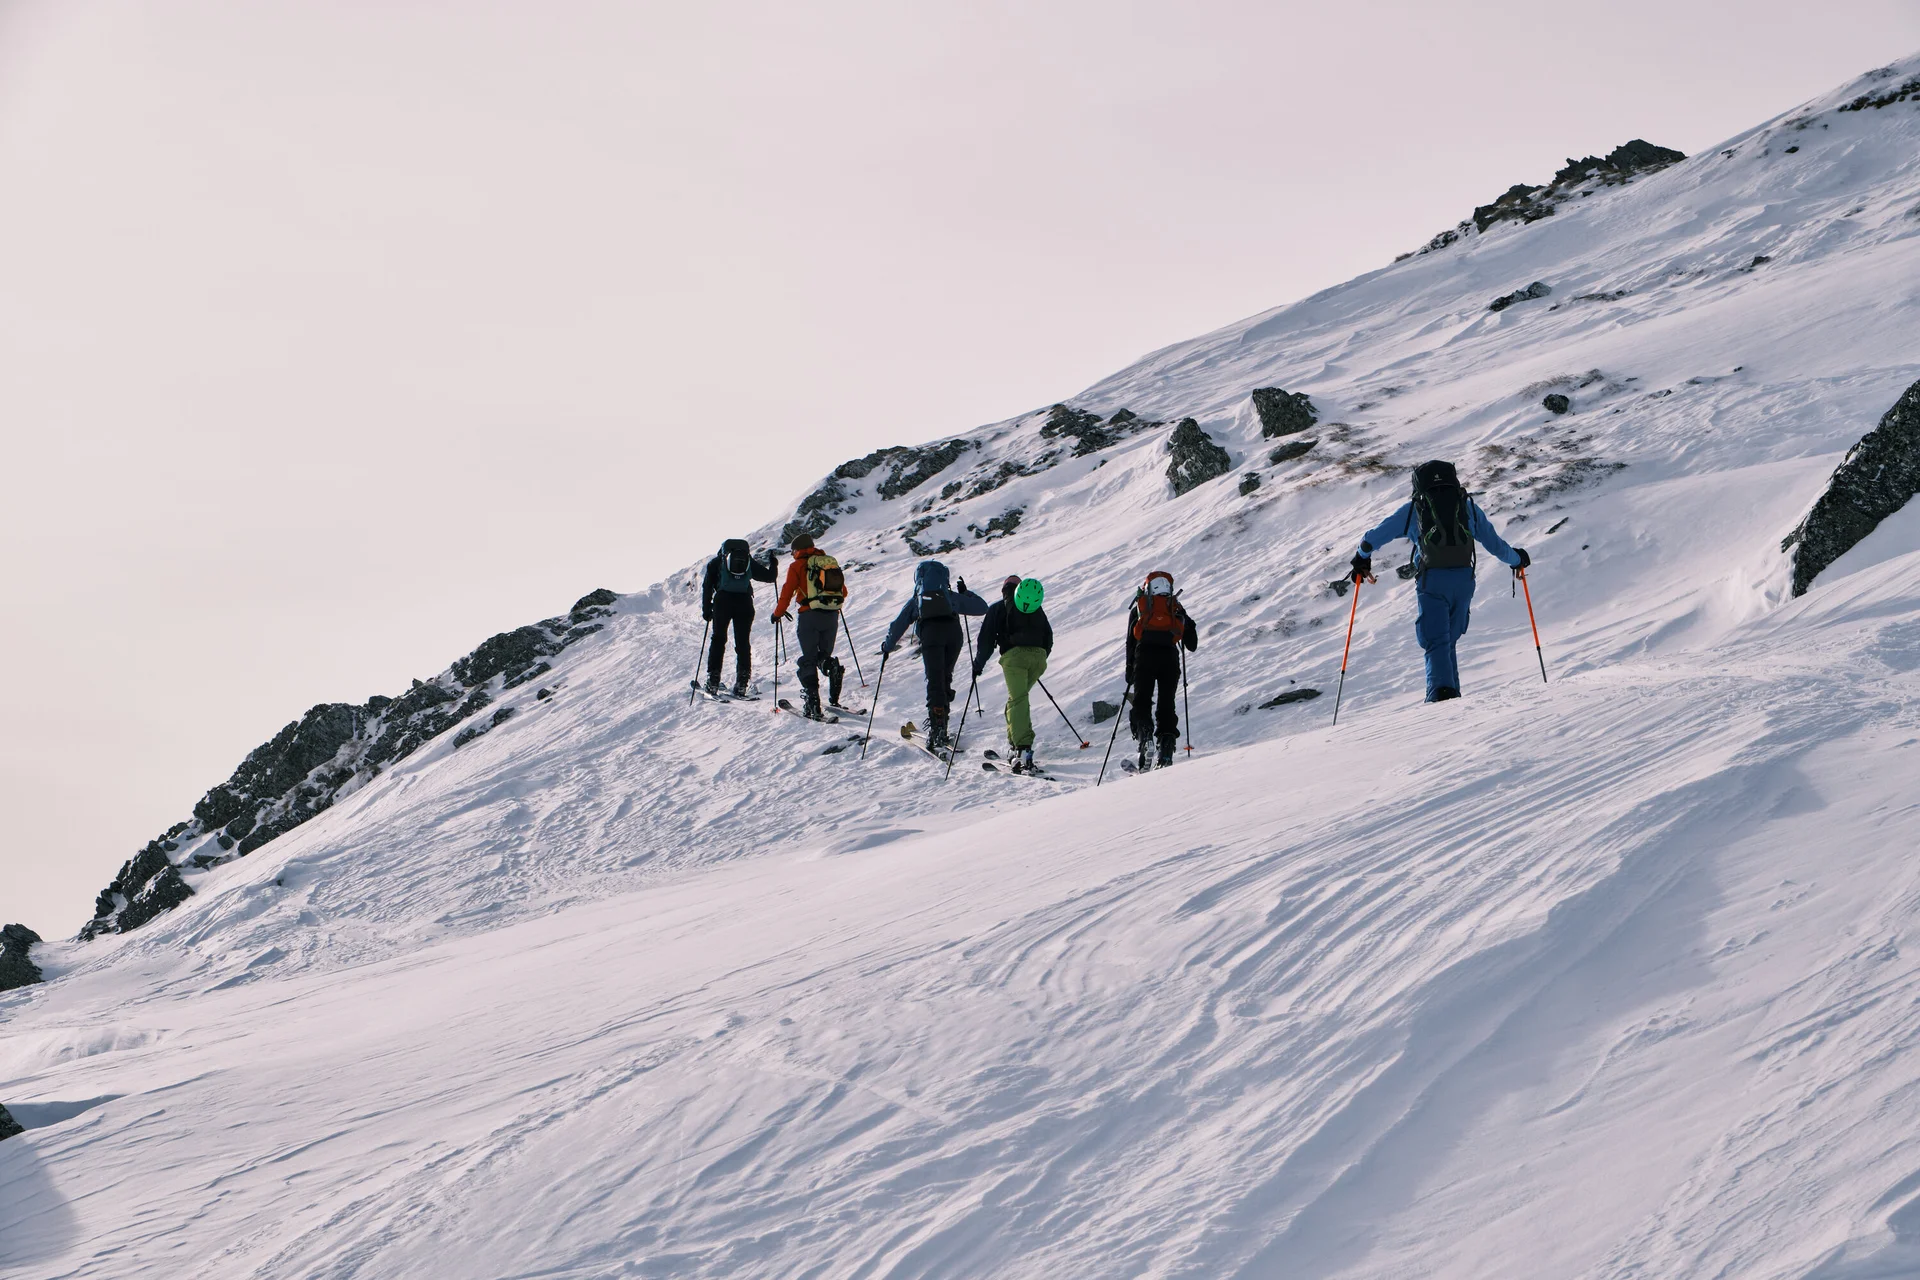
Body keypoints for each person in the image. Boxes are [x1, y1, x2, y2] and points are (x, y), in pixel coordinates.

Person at [1351, 459, 1528, 702]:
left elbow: (1373, 537)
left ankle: (1440, 698)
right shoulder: (1467, 507)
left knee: (1435, 640)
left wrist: (1362, 557)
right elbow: (1495, 545)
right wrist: (1517, 559)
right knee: (1448, 640)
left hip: (1432, 580)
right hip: (1464, 581)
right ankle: (1452, 696)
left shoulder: (1415, 509)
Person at [881, 561, 988, 751]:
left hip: (931, 636)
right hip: (953, 636)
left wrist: (887, 647)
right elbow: (982, 607)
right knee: (945, 677)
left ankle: (937, 729)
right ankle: (942, 726)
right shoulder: (950, 597)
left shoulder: (918, 599)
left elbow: (898, 625)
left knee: (934, 680)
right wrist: (965, 593)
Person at [971, 576, 1053, 773]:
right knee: (1017, 700)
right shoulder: (1035, 607)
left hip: (1014, 658)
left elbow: (986, 641)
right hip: (1039, 658)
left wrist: (978, 665)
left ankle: (1023, 748)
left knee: (1018, 700)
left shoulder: (998, 608)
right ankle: (1014, 743)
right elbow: (1048, 638)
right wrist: (1037, 657)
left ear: (1004, 590)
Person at [1124, 571, 1198, 769]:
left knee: (1141, 703)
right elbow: (1192, 644)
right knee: (1166, 706)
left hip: (1144, 657)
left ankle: (1145, 740)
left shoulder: (1141, 608)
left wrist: (1129, 669)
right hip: (1169, 659)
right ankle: (1165, 753)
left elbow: (1131, 641)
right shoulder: (1175, 608)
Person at [771, 533, 850, 719]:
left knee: (808, 659)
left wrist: (777, 613)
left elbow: (787, 591)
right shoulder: (828, 562)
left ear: (797, 550)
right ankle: (834, 672)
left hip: (809, 616)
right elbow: (843, 591)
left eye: (793, 551)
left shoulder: (797, 566)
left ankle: (813, 703)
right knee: (824, 657)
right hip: (831, 616)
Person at [699, 538, 778, 696]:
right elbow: (770, 577)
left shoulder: (716, 562)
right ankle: (742, 682)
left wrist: (707, 610)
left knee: (718, 639)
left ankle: (713, 680)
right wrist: (774, 564)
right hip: (744, 603)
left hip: (722, 602)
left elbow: (707, 586)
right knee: (743, 642)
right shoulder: (748, 561)